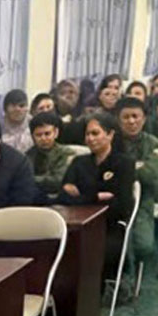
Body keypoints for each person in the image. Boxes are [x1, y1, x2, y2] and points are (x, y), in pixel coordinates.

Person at [60, 112, 135, 275]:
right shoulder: (78, 162)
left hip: (109, 226)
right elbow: (63, 197)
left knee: (95, 253)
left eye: (95, 133)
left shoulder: (124, 163)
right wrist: (95, 197)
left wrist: (81, 195)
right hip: (77, 225)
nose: (90, 139)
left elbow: (120, 205)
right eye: (87, 134)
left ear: (110, 135)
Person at [115, 97, 158, 264]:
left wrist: (122, 168)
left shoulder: (153, 143)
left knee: (143, 246)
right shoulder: (111, 141)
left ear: (143, 119)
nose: (131, 121)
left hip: (143, 198)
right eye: (126, 117)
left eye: (136, 116)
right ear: (118, 120)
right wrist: (135, 166)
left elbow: (151, 176)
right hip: (112, 197)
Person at [26, 111, 71, 200]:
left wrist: (32, 180)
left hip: (58, 198)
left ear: (56, 133)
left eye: (47, 134)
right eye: (38, 135)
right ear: (32, 137)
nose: (43, 138)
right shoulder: (28, 154)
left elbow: (58, 181)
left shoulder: (66, 153)